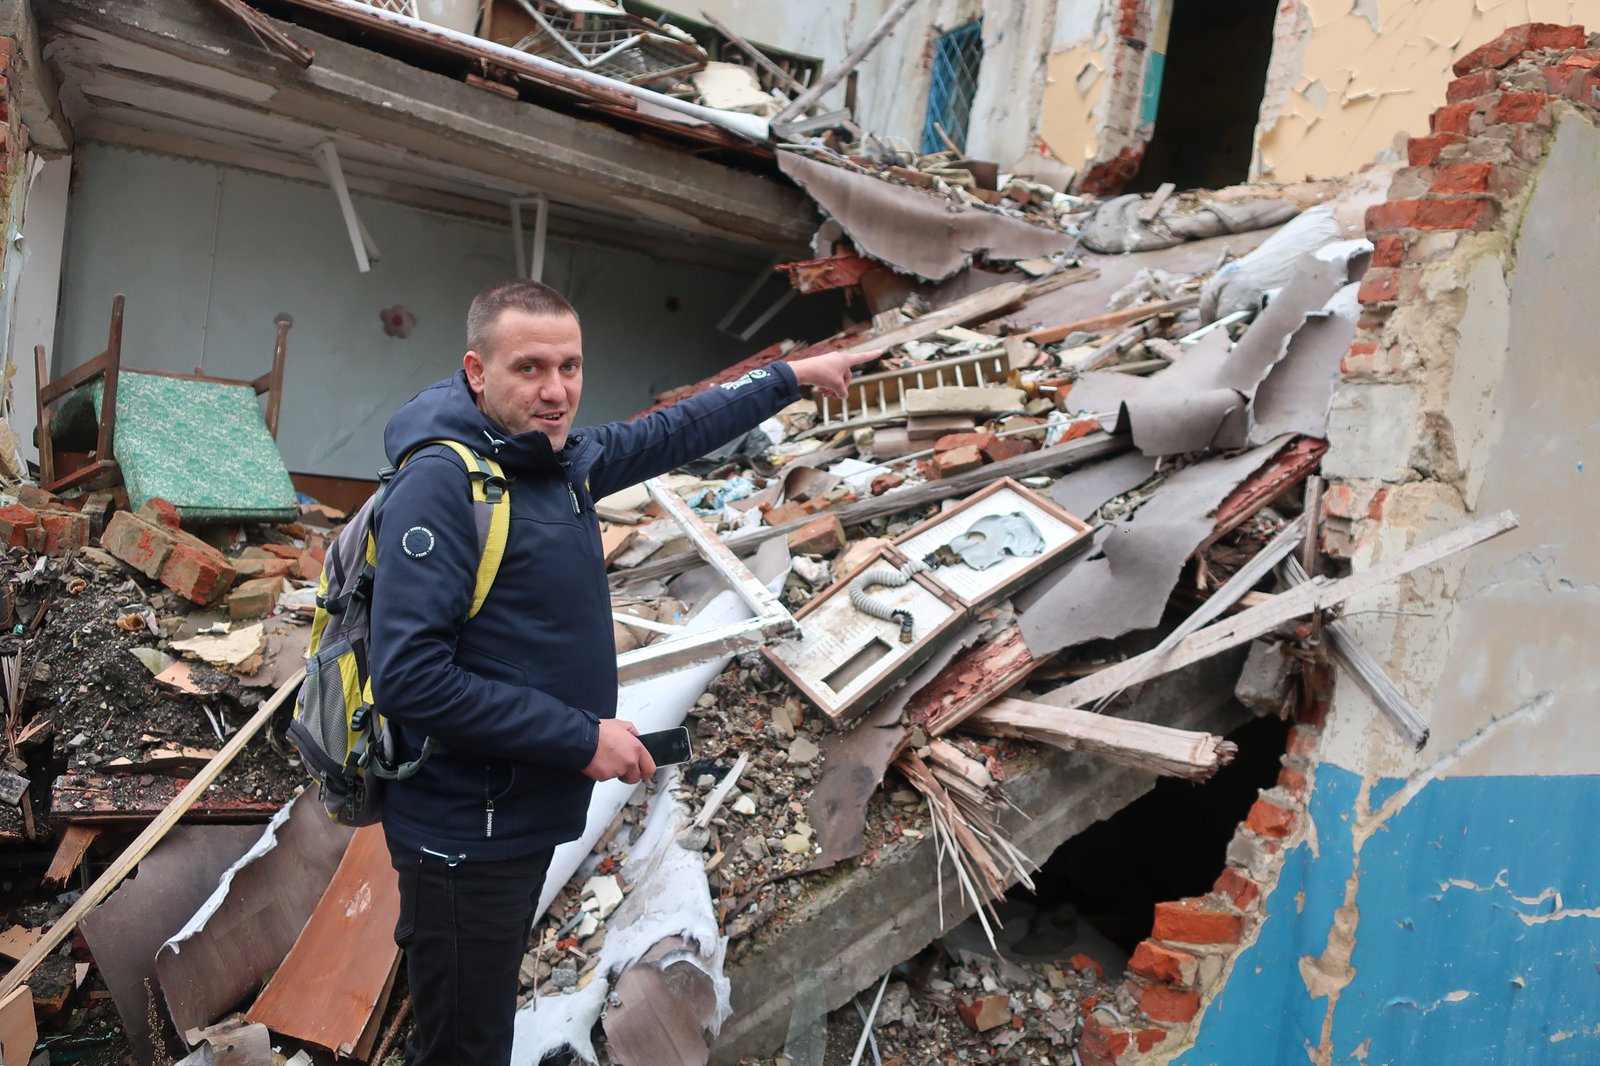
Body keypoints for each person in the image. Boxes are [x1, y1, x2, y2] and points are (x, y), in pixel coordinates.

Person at [368, 279, 877, 1065]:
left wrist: (795, 376)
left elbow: (673, 429)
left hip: (514, 812)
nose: (555, 390)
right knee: (461, 1048)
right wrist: (579, 739)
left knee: (472, 1031)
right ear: (476, 372)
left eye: (570, 367)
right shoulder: (442, 484)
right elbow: (409, 678)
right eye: (529, 368)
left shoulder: (557, 462)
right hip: (464, 832)